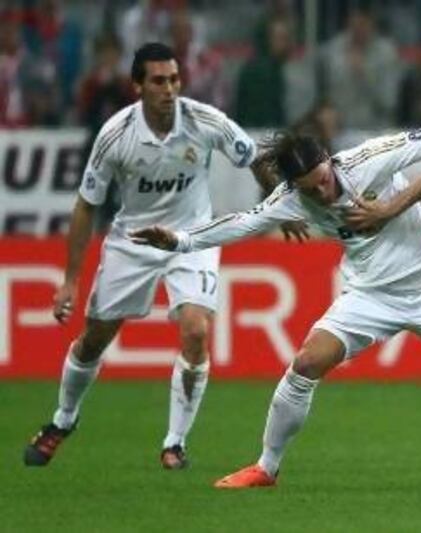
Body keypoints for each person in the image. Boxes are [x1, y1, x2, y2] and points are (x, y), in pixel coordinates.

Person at [130, 125, 421, 489]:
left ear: (329, 161)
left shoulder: (367, 161)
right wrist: (177, 240)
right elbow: (238, 224)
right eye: (310, 188)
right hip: (367, 296)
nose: (322, 192)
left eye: (323, 179)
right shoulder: (291, 200)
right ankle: (266, 467)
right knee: (306, 362)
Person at [23, 42, 283, 470]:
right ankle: (63, 420)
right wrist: (70, 280)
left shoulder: (204, 121)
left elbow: (254, 157)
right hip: (135, 242)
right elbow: (87, 203)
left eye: (174, 80)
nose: (169, 89)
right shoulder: (115, 135)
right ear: (138, 86)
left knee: (196, 331)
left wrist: (279, 206)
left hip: (191, 238)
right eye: (159, 81)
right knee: (94, 340)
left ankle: (175, 443)